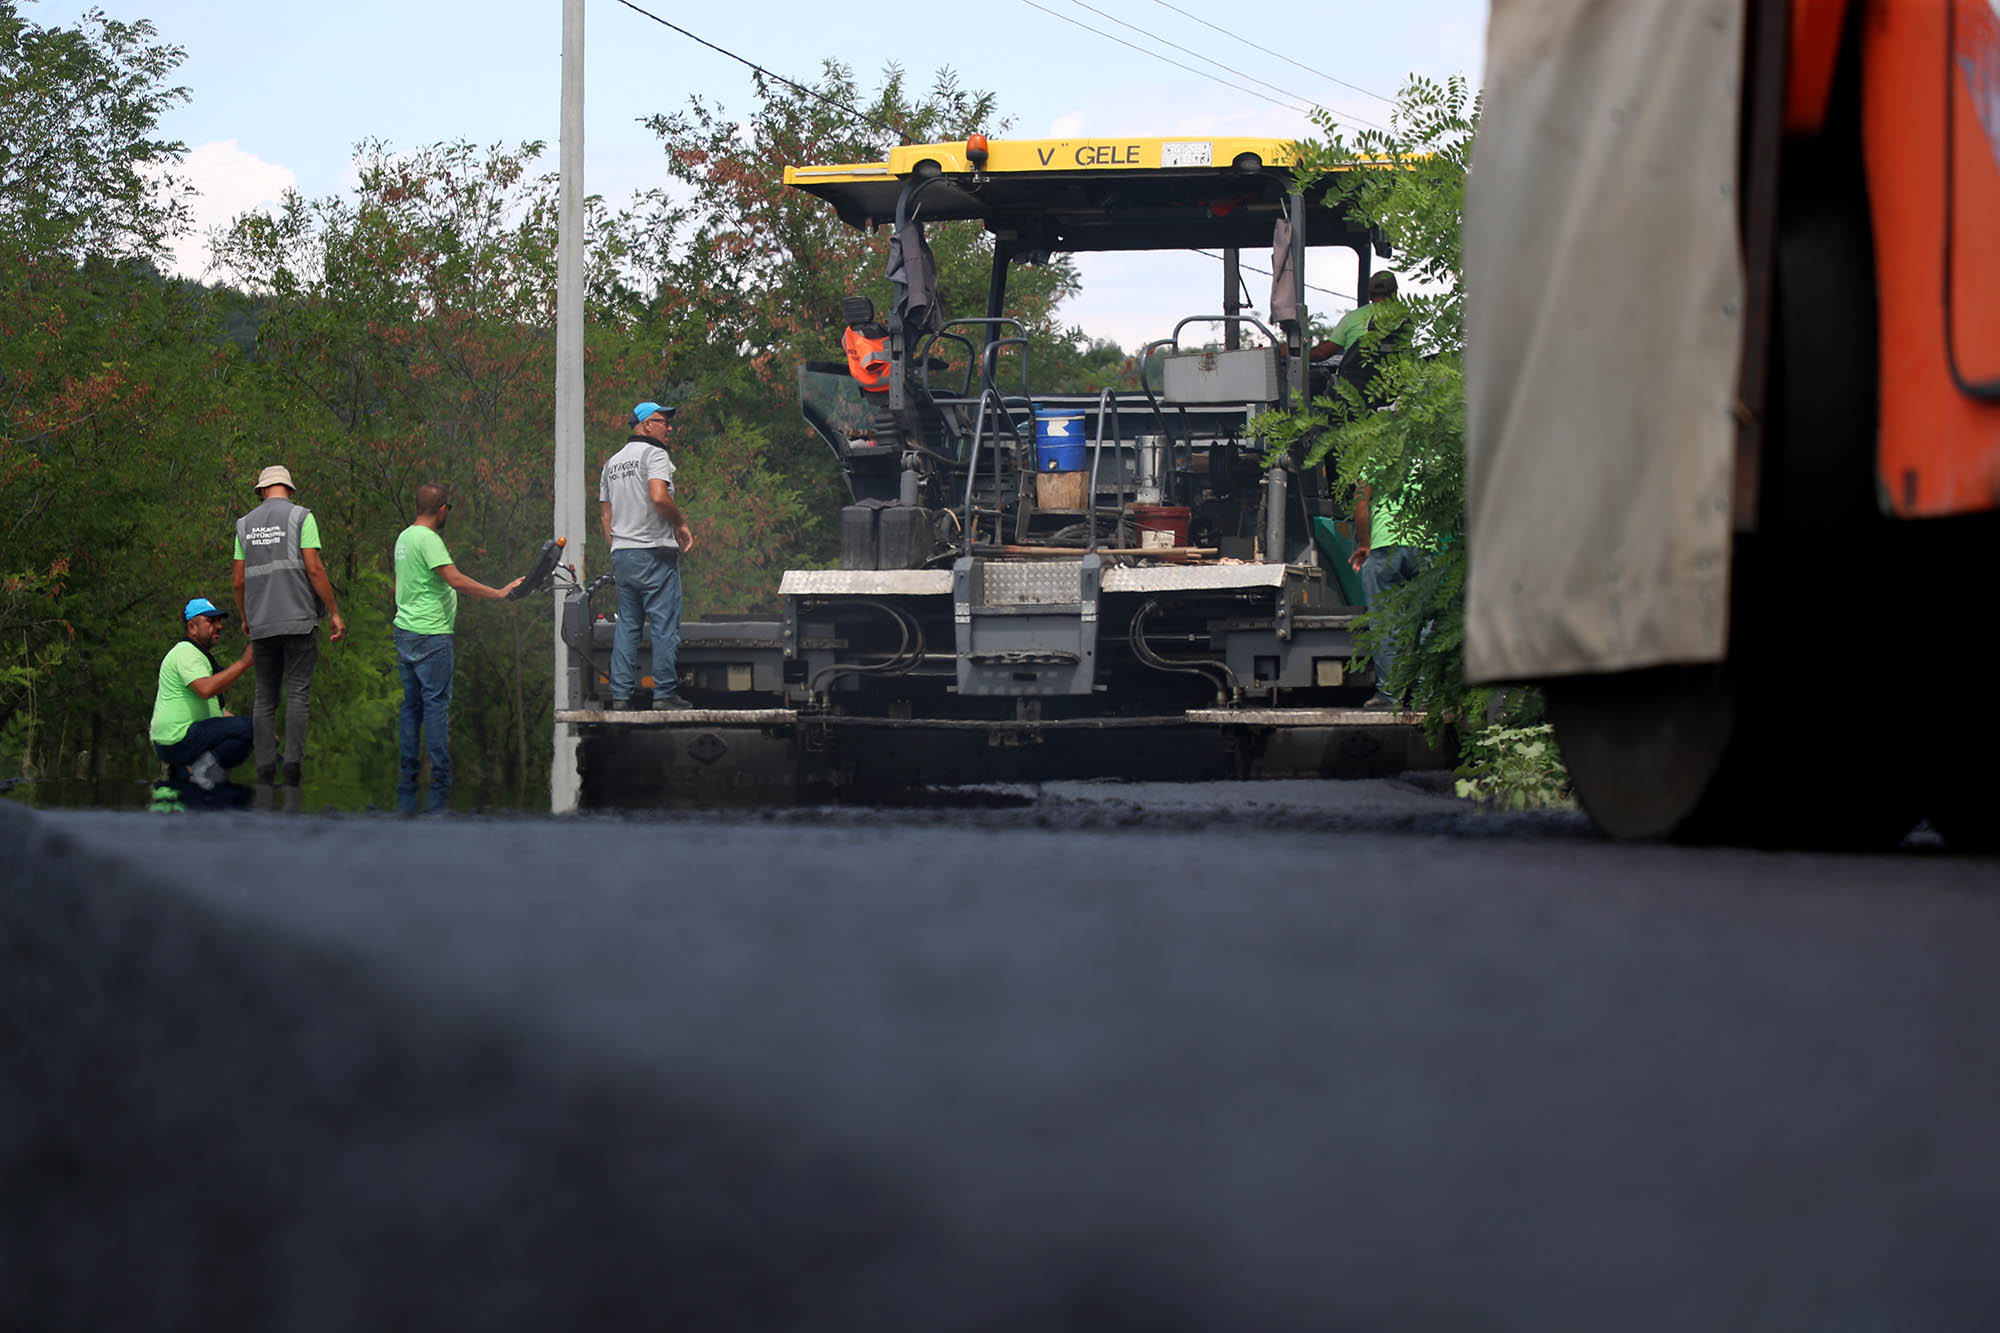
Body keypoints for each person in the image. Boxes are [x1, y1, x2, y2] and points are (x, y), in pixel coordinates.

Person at [393, 483, 523, 813]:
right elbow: (456, 579)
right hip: (431, 634)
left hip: (405, 630)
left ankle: (408, 771)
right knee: (435, 704)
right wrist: (498, 593)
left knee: (411, 706)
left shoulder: (404, 538)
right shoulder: (429, 540)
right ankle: (440, 776)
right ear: (442, 509)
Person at [232, 464, 346, 813]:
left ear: (262, 490)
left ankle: (265, 768)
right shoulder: (301, 518)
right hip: (298, 620)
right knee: (298, 693)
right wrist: (334, 610)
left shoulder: (244, 525)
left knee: (264, 697)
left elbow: (238, 581)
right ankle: (293, 767)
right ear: (289, 490)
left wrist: (245, 617)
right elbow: (314, 567)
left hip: (263, 624)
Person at [599, 401, 695, 711]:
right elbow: (658, 496)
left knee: (628, 625)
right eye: (663, 421)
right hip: (653, 553)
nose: (668, 428)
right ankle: (665, 695)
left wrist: (618, 545)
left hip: (623, 554)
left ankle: (621, 697)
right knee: (664, 626)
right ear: (645, 425)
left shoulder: (612, 463)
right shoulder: (655, 454)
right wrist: (679, 524)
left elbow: (606, 515)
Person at [150, 597, 255, 808]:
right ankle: (200, 771)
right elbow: (206, 690)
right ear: (192, 627)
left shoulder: (199, 656)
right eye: (211, 621)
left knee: (252, 732)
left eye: (219, 621)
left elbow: (217, 710)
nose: (219, 626)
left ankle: (187, 776)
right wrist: (244, 663)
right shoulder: (186, 652)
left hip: (182, 739)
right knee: (250, 728)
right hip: (178, 738)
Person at [1349, 477, 1424, 711]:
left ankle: (1391, 694)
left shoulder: (1379, 452)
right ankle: (1426, 693)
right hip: (1426, 547)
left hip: (1385, 547)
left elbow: (1361, 501)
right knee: (1427, 621)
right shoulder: (1436, 453)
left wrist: (1364, 544)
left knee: (1386, 621)